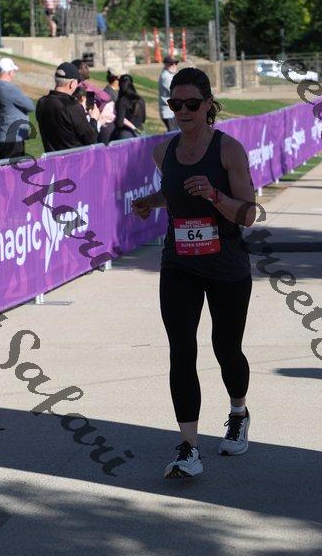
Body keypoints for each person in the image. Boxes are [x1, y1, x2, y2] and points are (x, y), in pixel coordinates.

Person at [132, 67, 256, 479]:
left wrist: (215, 194)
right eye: (175, 103)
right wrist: (150, 202)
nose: (183, 111)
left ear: (208, 105)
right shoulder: (162, 151)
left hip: (226, 266)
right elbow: (174, 193)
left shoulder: (229, 150)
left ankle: (238, 412)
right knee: (182, 350)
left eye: (191, 103)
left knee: (226, 348)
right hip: (179, 263)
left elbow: (249, 214)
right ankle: (189, 447)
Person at [36, 62, 99, 153]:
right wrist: (94, 119)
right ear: (72, 83)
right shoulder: (73, 106)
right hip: (73, 159)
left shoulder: (42, 102)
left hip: (51, 159)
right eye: (77, 82)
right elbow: (90, 138)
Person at [0, 57, 34, 160]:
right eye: (13, 71)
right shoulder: (9, 89)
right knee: (14, 169)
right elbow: (30, 106)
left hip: (1, 136)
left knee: (5, 168)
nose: (14, 74)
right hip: (13, 138)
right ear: (9, 72)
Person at [111, 74, 146, 140]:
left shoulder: (123, 101)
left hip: (127, 134)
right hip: (140, 132)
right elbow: (143, 119)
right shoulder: (141, 99)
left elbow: (120, 124)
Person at [158, 55, 179, 132]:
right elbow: (176, 92)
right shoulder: (166, 76)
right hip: (169, 113)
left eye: (175, 63)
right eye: (171, 64)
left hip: (172, 112)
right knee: (174, 135)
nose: (174, 65)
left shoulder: (170, 74)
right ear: (166, 64)